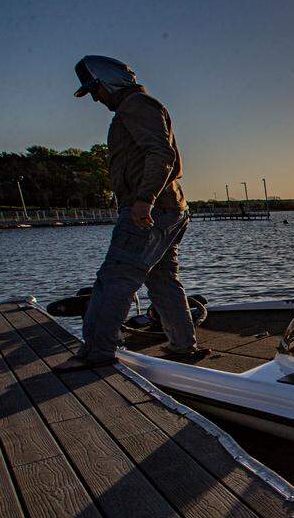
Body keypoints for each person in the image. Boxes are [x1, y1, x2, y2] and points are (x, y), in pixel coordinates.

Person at [54, 55, 209, 371]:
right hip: (168, 209)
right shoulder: (138, 108)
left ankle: (96, 352)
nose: (96, 97)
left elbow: (162, 154)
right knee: (163, 279)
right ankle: (183, 347)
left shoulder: (137, 106)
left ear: (108, 82)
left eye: (95, 89)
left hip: (150, 211)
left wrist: (143, 199)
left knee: (115, 278)